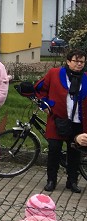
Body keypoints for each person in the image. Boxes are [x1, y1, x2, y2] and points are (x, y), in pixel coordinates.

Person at [35, 47, 87, 193]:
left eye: (82, 62)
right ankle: (51, 180)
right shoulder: (55, 73)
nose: (79, 64)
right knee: (54, 150)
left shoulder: (86, 78)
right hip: (57, 120)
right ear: (68, 61)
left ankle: (72, 181)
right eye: (76, 61)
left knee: (75, 152)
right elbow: (39, 89)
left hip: (78, 122)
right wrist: (45, 104)